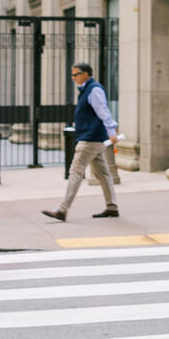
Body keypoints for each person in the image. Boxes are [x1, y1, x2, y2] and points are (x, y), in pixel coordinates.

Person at [42, 62, 120, 222]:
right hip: (93, 137)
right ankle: (112, 207)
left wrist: (112, 131)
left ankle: (62, 210)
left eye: (75, 74)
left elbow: (103, 111)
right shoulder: (87, 90)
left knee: (76, 172)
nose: (73, 77)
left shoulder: (94, 89)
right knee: (103, 174)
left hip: (90, 138)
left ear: (86, 74)